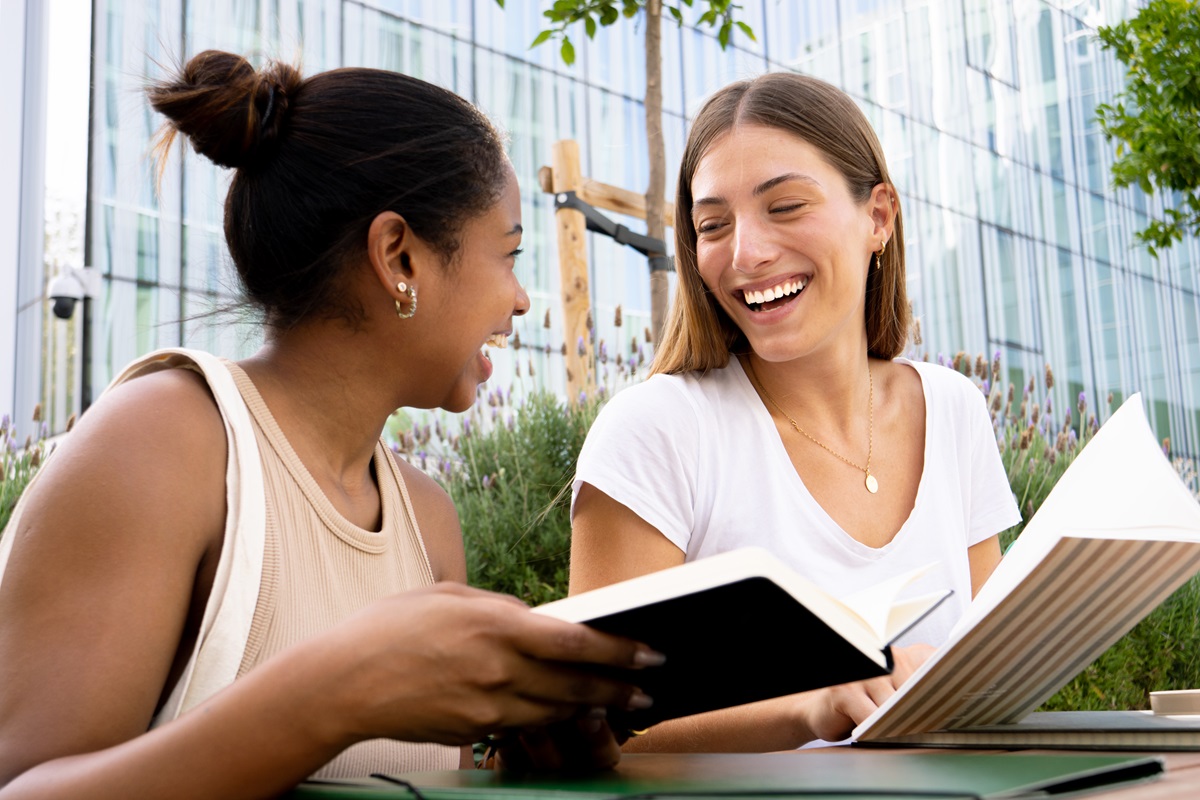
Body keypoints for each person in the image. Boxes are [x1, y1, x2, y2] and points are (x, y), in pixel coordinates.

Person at [0, 51, 663, 798]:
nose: (520, 302)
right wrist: (341, 690)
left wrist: (529, 758)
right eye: (508, 256)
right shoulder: (166, 441)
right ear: (398, 256)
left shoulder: (425, 518)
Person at [570, 73, 1020, 752]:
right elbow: (598, 732)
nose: (745, 253)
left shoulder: (952, 409)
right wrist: (811, 703)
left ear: (879, 217)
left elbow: (994, 680)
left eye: (784, 206)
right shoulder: (657, 431)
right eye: (713, 225)